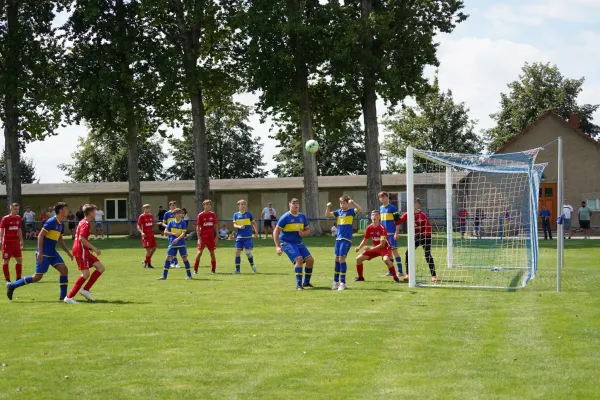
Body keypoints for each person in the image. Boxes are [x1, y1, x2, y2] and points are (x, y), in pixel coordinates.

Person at [7, 202, 74, 301]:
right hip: (44, 253)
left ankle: (63, 297)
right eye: (66, 209)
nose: (67, 211)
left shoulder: (61, 224)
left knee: (64, 270)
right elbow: (40, 236)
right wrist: (40, 253)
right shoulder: (51, 221)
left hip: (52, 252)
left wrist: (68, 253)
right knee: (37, 277)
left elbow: (60, 239)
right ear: (61, 210)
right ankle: (12, 285)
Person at [64, 204, 105, 303]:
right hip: (80, 250)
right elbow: (81, 239)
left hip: (83, 249)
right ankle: (69, 297)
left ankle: (85, 289)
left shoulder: (84, 222)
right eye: (94, 211)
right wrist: (94, 248)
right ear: (90, 213)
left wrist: (88, 247)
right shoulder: (85, 223)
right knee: (86, 274)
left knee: (100, 268)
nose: (95, 213)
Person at [274, 198, 314, 290]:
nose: (296, 205)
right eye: (293, 203)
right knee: (299, 260)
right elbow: (276, 231)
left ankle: (306, 283)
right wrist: (277, 246)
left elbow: (308, 230)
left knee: (310, 260)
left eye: (297, 203)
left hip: (298, 243)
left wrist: (303, 233)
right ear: (289, 205)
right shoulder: (285, 217)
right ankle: (298, 285)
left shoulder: (302, 217)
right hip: (287, 243)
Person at [393, 198, 437, 282]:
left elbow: (428, 227)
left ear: (418, 205)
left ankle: (434, 275)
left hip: (425, 237)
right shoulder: (407, 214)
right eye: (412, 203)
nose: (413, 204)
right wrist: (396, 220)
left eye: (415, 203)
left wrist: (425, 235)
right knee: (408, 253)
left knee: (427, 254)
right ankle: (408, 274)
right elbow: (399, 222)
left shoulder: (423, 215)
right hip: (415, 237)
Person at [354, 210, 401, 284]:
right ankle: (360, 277)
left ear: (379, 217)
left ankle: (395, 277)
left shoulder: (382, 228)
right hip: (375, 248)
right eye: (372, 215)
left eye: (376, 215)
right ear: (370, 217)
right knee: (358, 259)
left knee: (386, 260)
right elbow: (365, 239)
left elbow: (382, 244)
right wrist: (359, 248)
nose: (374, 216)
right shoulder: (369, 227)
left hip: (385, 248)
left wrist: (370, 249)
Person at [326, 195, 361, 291]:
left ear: (347, 204)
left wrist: (353, 202)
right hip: (338, 239)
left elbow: (359, 209)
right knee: (337, 259)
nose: (341, 205)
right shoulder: (338, 212)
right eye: (340, 203)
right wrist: (328, 207)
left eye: (344, 203)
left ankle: (343, 282)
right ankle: (335, 281)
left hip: (346, 239)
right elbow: (328, 215)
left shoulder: (351, 211)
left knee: (342, 259)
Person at [157, 208, 193, 280]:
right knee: (168, 257)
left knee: (184, 258)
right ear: (174, 215)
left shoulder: (183, 223)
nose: (180, 215)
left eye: (181, 213)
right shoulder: (171, 223)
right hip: (172, 243)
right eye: (178, 213)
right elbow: (165, 232)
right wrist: (173, 233)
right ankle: (164, 276)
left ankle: (189, 275)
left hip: (181, 244)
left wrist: (177, 239)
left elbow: (183, 234)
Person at [378, 192, 403, 277]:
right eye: (380, 197)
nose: (382, 199)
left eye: (383, 197)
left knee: (394, 251)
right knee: (388, 253)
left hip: (391, 233)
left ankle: (400, 271)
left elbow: (397, 221)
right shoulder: (381, 208)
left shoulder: (392, 208)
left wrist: (396, 232)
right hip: (384, 235)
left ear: (387, 198)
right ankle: (391, 271)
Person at [233, 200, 258, 274]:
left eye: (244, 204)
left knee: (248, 252)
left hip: (248, 236)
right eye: (242, 204)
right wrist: (239, 226)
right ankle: (237, 270)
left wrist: (256, 232)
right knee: (237, 252)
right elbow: (234, 225)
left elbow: (254, 223)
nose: (243, 206)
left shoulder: (249, 214)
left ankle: (253, 266)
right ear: (238, 206)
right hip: (239, 237)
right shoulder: (236, 215)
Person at [1, 203, 24, 283]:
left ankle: (18, 278)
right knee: (6, 260)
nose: (17, 211)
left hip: (16, 242)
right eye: (15, 209)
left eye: (18, 209)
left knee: (19, 259)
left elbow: (19, 230)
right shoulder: (5, 218)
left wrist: (21, 240)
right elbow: (2, 229)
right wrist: (1, 239)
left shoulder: (18, 218)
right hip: (7, 242)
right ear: (11, 208)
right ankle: (7, 279)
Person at [194, 200, 218, 275]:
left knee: (212, 253)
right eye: (206, 204)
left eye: (209, 204)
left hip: (210, 237)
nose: (208, 206)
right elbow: (197, 227)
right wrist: (199, 237)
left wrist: (217, 236)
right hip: (203, 237)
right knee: (199, 253)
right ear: (203, 206)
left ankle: (213, 270)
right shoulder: (200, 215)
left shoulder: (213, 214)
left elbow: (216, 225)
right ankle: (195, 269)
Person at [137, 204, 157, 268]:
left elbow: (152, 224)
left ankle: (145, 261)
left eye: (148, 208)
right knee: (148, 250)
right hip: (145, 236)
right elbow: (138, 225)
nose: (147, 209)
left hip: (151, 235)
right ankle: (149, 264)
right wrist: (142, 232)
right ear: (144, 209)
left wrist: (157, 224)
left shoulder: (151, 216)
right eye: (146, 208)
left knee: (154, 248)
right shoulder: (142, 216)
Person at [162, 201, 180, 268]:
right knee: (172, 247)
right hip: (170, 233)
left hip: (177, 232)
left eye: (175, 205)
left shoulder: (178, 213)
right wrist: (168, 227)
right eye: (172, 205)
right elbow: (163, 223)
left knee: (177, 247)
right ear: (170, 206)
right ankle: (173, 262)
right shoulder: (167, 214)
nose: (173, 206)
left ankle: (173, 262)